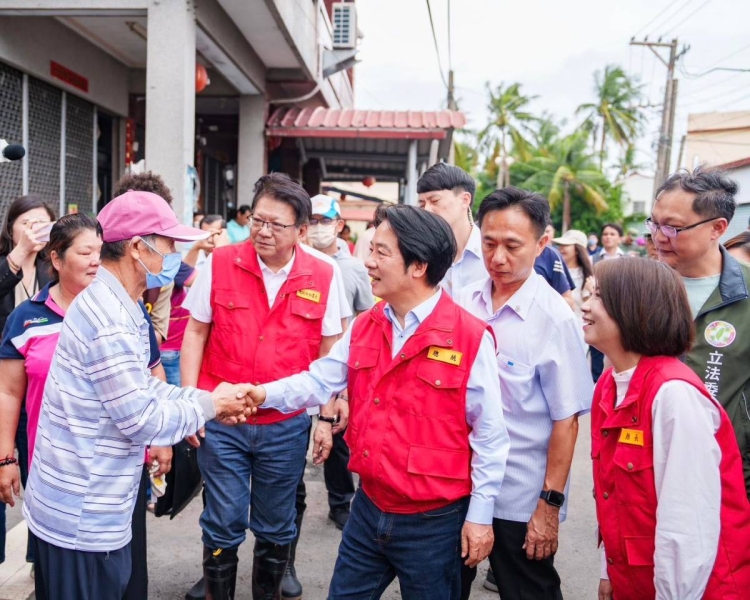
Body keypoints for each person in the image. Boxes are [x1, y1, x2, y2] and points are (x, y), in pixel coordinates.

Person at [246, 204, 510, 600]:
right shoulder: (368, 324)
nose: (368, 261)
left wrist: (480, 517)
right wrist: (261, 394)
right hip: (368, 508)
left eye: (381, 252)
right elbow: (320, 380)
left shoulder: (470, 338)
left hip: (434, 523)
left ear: (418, 266)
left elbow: (490, 436)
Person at [15, 190, 254, 600]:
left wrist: (196, 401)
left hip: (87, 504)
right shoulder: (109, 316)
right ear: (138, 248)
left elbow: (139, 387)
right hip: (83, 516)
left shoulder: (116, 302)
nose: (176, 255)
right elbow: (141, 419)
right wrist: (212, 404)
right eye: (169, 245)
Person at [180, 173, 346, 600]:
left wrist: (325, 418)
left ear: (302, 231)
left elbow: (331, 356)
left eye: (276, 224)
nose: (263, 232)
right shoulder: (219, 262)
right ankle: (217, 586)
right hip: (223, 417)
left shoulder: (325, 274)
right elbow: (195, 332)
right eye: (257, 220)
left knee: (276, 519)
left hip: (285, 424)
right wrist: (189, 405)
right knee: (223, 515)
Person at [0, 214, 164, 598]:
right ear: (56, 259)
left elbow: (152, 373)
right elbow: (8, 393)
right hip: (56, 475)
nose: (95, 260)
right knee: (65, 583)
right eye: (85, 251)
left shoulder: (127, 309)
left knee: (123, 577)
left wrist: (162, 437)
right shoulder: (27, 319)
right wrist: (6, 457)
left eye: (99, 251)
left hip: (118, 472)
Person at [583, 258, 750, 600]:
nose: (584, 306)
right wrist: (608, 569)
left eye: (597, 296)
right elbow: (612, 494)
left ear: (633, 308)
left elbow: (686, 528)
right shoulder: (609, 384)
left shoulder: (674, 394)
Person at [456, 187, 593, 600]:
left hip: (519, 495)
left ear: (542, 243)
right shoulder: (464, 302)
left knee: (527, 591)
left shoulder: (555, 319)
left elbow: (566, 420)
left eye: (512, 246)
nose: (497, 258)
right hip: (460, 484)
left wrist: (548, 506)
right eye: (489, 243)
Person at [650, 167, 750, 495]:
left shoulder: (745, 293)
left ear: (717, 228)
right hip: (644, 466)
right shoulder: (640, 287)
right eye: (654, 222)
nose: (659, 236)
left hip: (725, 474)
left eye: (674, 227)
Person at [0, 194, 54, 566]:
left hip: (42, 394)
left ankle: (43, 560)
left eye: (42, 224)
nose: (35, 230)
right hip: (4, 389)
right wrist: (18, 255)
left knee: (43, 476)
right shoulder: (6, 265)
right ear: (11, 228)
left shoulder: (57, 272)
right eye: (27, 222)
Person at [418, 162, 487, 295]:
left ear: (465, 200)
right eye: (422, 204)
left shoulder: (492, 254)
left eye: (435, 200)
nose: (426, 209)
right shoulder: (422, 256)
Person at [552, 229, 594, 319]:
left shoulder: (588, 277)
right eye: (560, 245)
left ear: (577, 250)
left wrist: (590, 292)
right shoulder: (555, 271)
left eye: (566, 245)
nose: (560, 248)